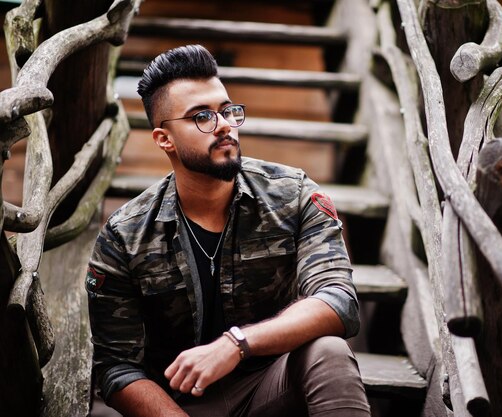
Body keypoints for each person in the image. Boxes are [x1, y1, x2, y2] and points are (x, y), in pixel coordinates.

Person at [85, 44, 371, 417]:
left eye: (227, 111)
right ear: (163, 139)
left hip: (270, 385)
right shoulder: (125, 236)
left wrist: (237, 343)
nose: (223, 125)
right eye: (201, 116)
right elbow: (115, 366)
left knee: (328, 351)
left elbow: (338, 300)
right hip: (180, 404)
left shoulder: (295, 196)